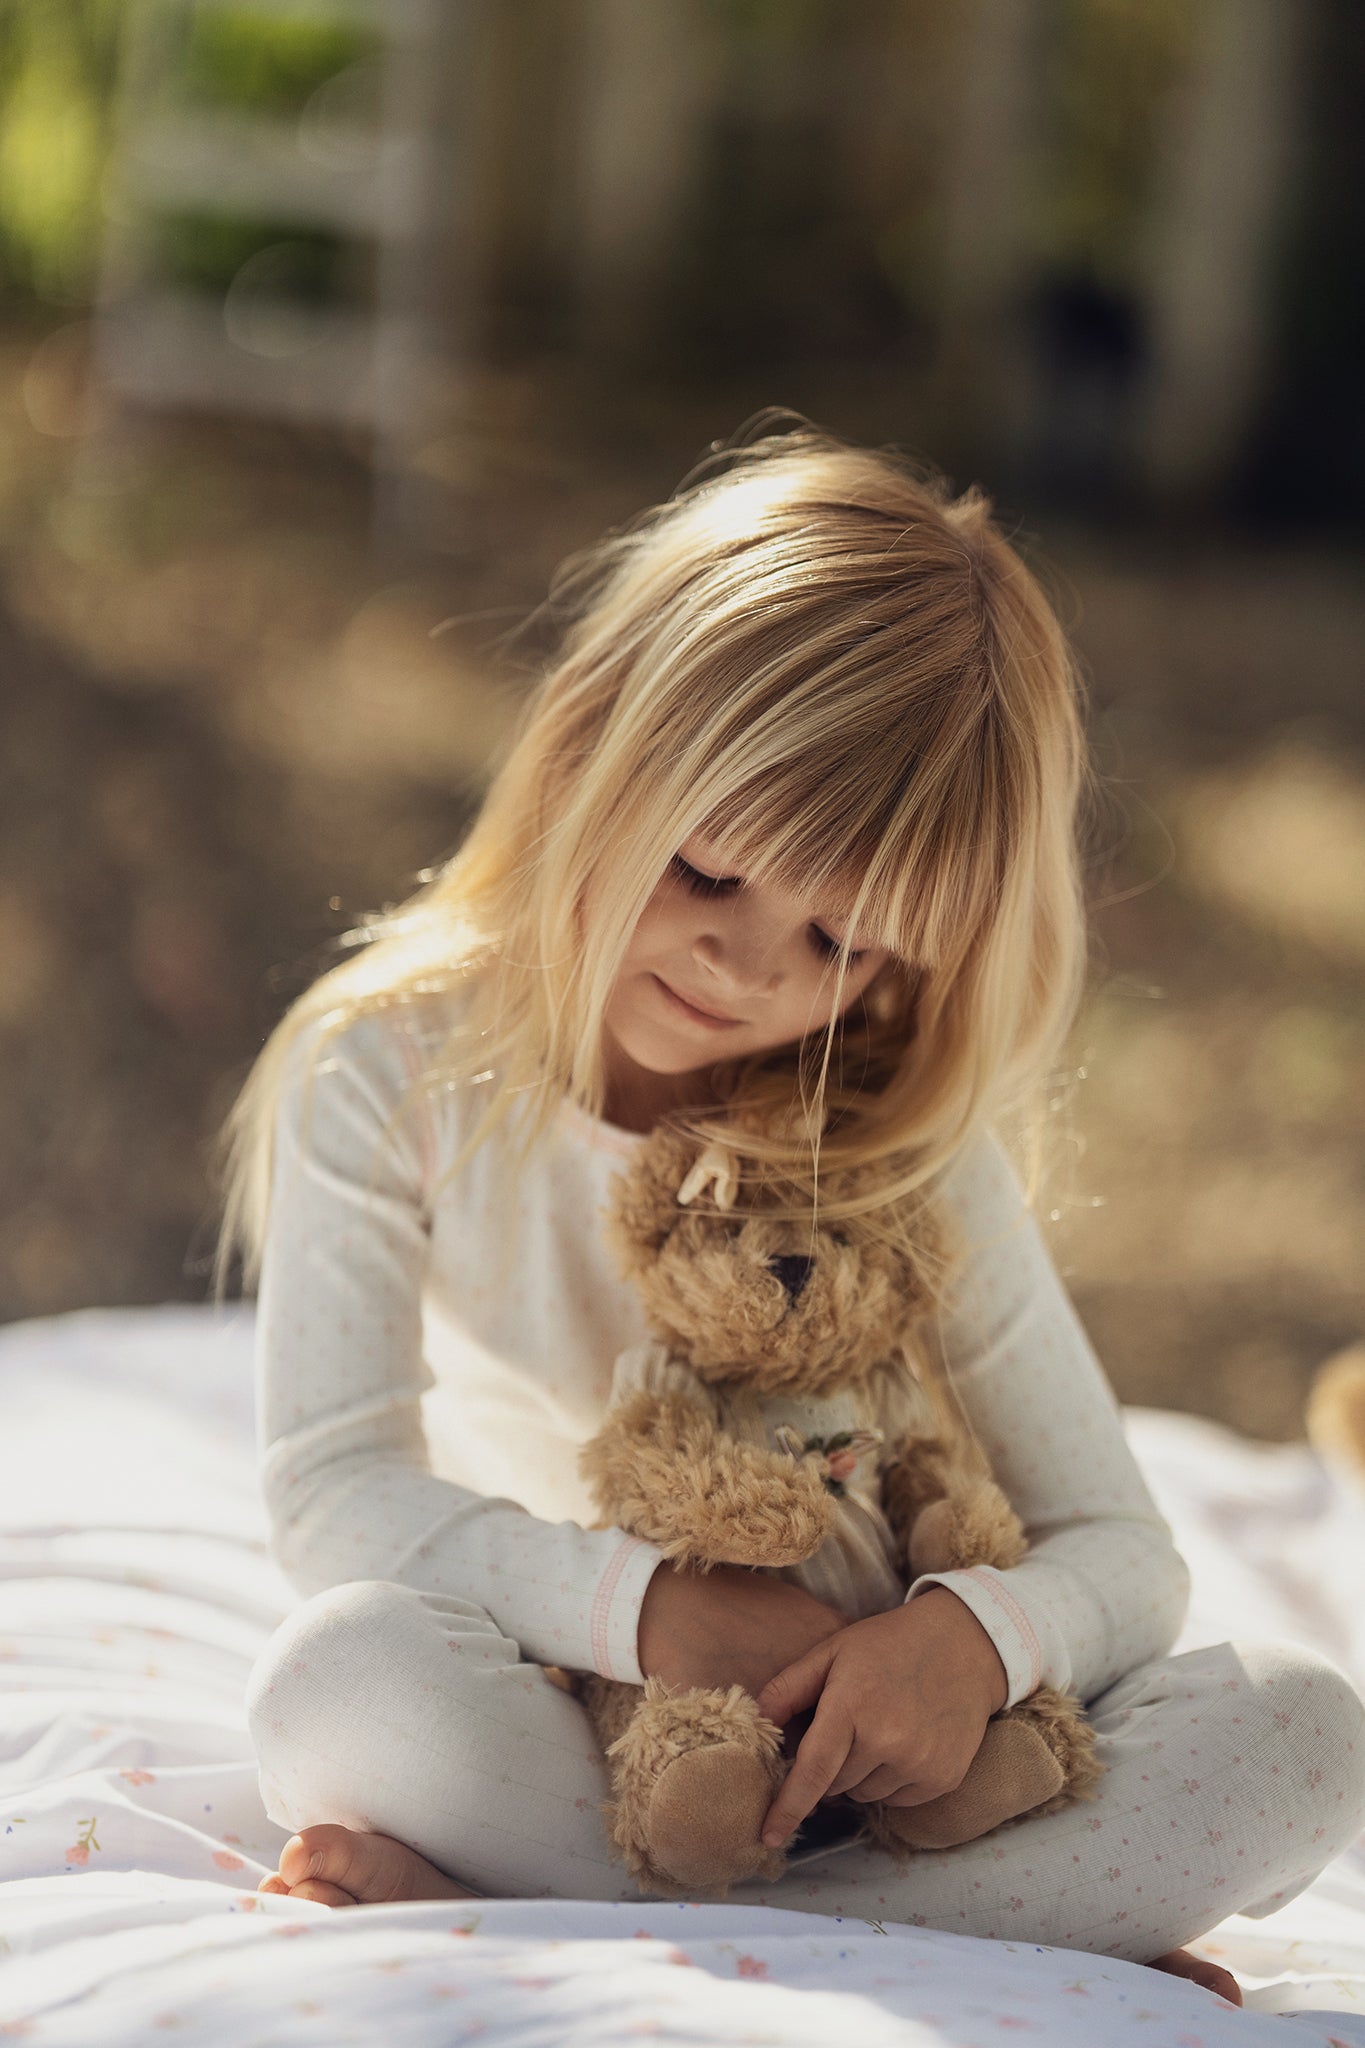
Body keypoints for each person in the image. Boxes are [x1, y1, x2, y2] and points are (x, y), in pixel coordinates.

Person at [218, 421, 1365, 2002]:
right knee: (336, 1688)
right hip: (594, 1713)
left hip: (905, 1746)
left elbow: (1122, 1548)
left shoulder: (890, 1124)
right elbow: (335, 1497)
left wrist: (964, 1646)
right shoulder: (389, 1071)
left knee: (1304, 1729)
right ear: (590, 748)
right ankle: (1025, 1926)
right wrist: (655, 1613)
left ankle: (581, 1904)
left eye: (841, 947)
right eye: (704, 874)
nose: (752, 976)